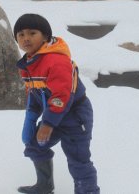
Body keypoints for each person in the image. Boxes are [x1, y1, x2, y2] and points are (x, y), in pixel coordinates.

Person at [13, 13, 100, 194]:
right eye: (20, 34)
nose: (26, 38)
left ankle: (88, 191)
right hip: (54, 114)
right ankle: (44, 186)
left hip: (75, 117)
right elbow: (36, 93)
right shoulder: (29, 63)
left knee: (78, 159)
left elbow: (62, 96)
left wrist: (48, 123)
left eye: (32, 33)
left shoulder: (56, 60)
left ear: (45, 36)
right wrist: (30, 119)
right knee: (35, 145)